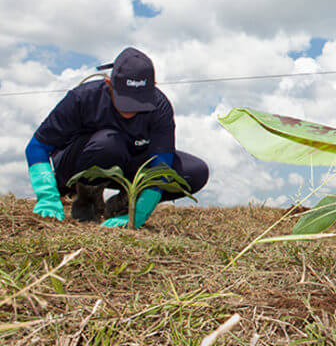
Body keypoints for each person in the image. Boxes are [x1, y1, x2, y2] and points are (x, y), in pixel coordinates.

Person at [25, 47, 208, 228]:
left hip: (127, 162)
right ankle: (88, 201)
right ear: (109, 84)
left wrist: (141, 209)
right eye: (124, 100)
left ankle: (124, 205)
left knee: (194, 171)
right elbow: (37, 147)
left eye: (139, 102)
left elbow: (162, 163)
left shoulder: (160, 106)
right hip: (79, 164)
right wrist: (47, 195)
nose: (129, 111)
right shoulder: (83, 97)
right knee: (109, 143)